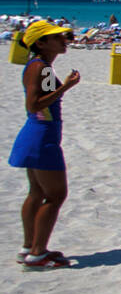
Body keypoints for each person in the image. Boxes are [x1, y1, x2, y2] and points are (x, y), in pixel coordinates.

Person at [9, 22, 80, 269]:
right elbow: (34, 104)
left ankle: (29, 247)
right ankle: (38, 254)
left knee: (37, 193)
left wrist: (62, 88)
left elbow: (45, 99)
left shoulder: (42, 67)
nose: (63, 40)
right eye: (56, 37)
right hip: (42, 136)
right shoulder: (40, 67)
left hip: (38, 134)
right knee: (55, 195)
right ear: (40, 42)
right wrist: (68, 86)